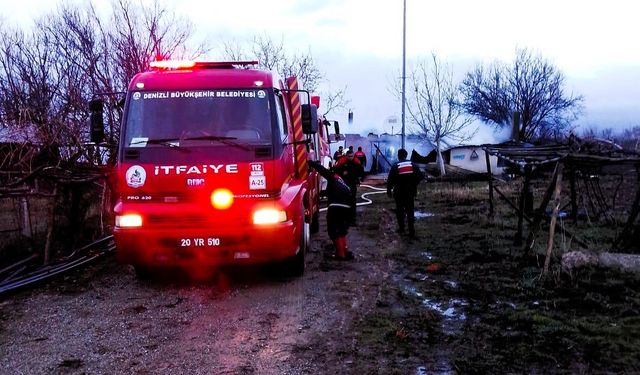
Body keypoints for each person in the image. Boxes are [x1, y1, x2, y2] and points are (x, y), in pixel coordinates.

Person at [308, 160, 354, 260]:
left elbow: (322, 170)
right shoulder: (343, 182)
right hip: (347, 207)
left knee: (333, 230)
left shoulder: (333, 176)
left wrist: (311, 163)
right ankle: (345, 251)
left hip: (335, 206)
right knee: (341, 229)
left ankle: (340, 254)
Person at [386, 148, 424, 237]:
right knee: (410, 210)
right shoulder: (413, 165)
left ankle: (401, 228)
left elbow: (390, 180)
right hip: (410, 192)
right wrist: (414, 184)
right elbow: (420, 177)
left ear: (398, 156)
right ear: (406, 155)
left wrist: (389, 191)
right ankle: (411, 231)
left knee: (399, 210)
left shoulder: (395, 166)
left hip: (398, 192)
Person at [334, 149, 364, 226]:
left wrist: (359, 179)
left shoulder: (356, 161)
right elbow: (336, 171)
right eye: (349, 156)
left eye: (352, 156)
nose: (351, 158)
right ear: (346, 156)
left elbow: (361, 171)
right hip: (344, 184)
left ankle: (352, 220)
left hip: (353, 183)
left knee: (353, 201)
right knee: (344, 201)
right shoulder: (341, 161)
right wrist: (341, 174)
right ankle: (344, 219)